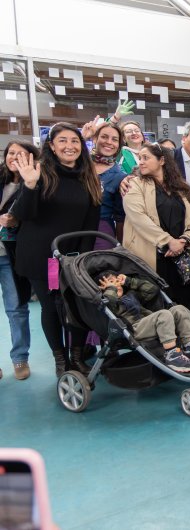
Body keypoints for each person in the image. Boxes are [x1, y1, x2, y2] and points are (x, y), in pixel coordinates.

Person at [11, 122, 101, 377]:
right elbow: (22, 214)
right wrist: (29, 186)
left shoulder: (88, 177)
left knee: (78, 304)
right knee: (53, 307)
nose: (69, 146)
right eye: (62, 141)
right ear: (52, 145)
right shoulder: (39, 173)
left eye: (74, 141)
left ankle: (77, 356)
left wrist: (82, 259)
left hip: (72, 258)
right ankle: (61, 360)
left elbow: (90, 222)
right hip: (44, 258)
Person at [122, 143, 190, 307]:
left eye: (146, 158)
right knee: (155, 306)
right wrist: (167, 241)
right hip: (151, 256)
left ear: (162, 160)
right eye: (139, 158)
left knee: (183, 306)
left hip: (181, 259)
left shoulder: (182, 187)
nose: (140, 162)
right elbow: (138, 217)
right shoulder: (134, 184)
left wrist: (185, 239)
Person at [98, 271, 190, 373]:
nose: (116, 284)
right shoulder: (109, 302)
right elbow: (109, 303)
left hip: (152, 322)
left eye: (117, 281)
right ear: (103, 287)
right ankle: (172, 355)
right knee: (163, 314)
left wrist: (128, 281)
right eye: (111, 282)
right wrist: (110, 289)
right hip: (134, 328)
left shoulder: (132, 295)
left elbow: (152, 290)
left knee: (179, 309)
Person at [0, 141, 35, 380]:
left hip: (11, 253)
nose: (15, 157)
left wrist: (18, 222)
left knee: (16, 307)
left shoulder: (35, 184)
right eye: (11, 153)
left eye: (22, 154)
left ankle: (20, 358)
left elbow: (39, 217)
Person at [80, 119, 126, 246]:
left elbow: (120, 218)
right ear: (95, 139)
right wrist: (82, 138)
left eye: (114, 139)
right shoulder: (79, 163)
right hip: (70, 226)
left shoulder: (120, 176)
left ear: (119, 144)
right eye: (104, 137)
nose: (109, 142)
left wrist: (121, 248)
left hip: (100, 233)